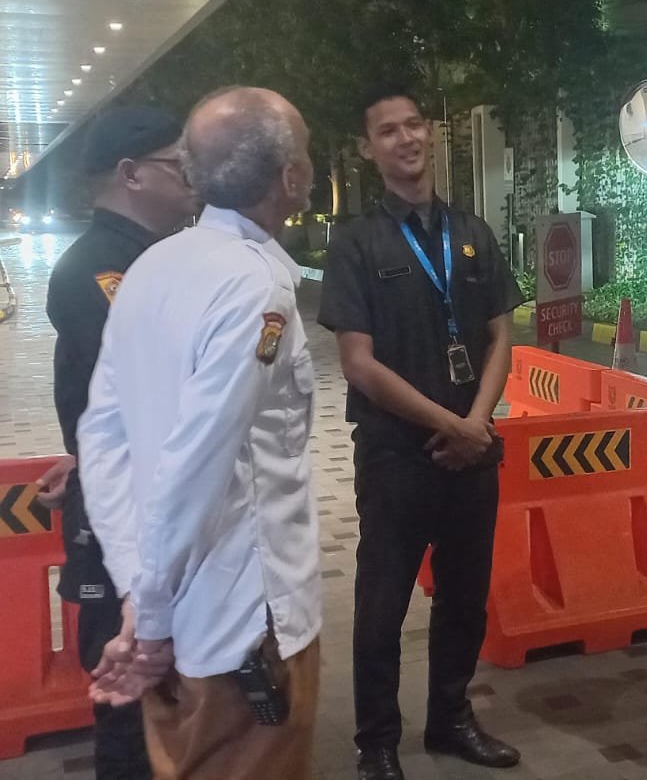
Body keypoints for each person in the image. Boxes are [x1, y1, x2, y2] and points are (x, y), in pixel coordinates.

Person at [77, 86, 323, 780]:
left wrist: (138, 594)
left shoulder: (153, 267)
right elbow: (199, 460)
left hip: (171, 616)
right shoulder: (255, 287)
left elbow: (105, 438)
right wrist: (150, 621)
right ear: (291, 177)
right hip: (245, 626)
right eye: (307, 151)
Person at [317, 83, 523, 780]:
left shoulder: (472, 233)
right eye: (388, 130)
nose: (405, 138)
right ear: (368, 148)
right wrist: (450, 425)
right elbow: (358, 363)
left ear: (429, 133)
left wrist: (476, 425)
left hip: (472, 451)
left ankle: (451, 719)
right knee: (382, 604)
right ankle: (376, 742)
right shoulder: (355, 243)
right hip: (397, 455)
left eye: (413, 125)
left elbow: (501, 336)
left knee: (464, 597)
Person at [41, 104, 195, 780]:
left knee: (171, 697)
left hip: (159, 510)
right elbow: (152, 392)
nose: (192, 177)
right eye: (178, 164)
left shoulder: (151, 261)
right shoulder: (97, 270)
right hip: (126, 522)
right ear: (131, 174)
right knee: (131, 696)